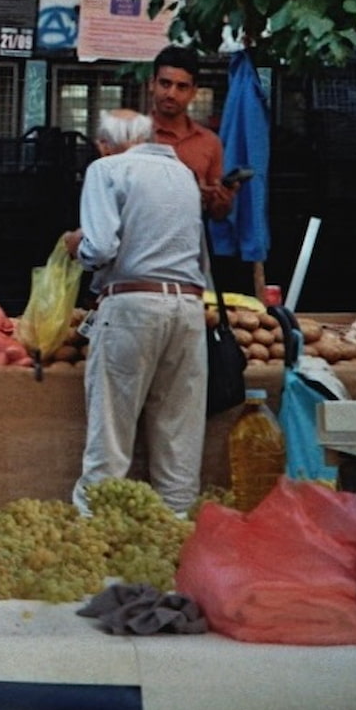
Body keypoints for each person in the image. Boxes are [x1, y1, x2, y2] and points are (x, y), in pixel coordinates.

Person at [63, 109, 206, 515]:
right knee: (179, 432)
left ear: (103, 145)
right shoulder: (184, 175)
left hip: (132, 306)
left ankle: (96, 525)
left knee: (110, 430)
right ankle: (177, 525)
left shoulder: (106, 169)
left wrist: (77, 245)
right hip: (188, 308)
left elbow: (100, 247)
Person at [148, 44, 234, 221]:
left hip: (191, 236)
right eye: (165, 83)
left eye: (181, 87)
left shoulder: (210, 142)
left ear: (193, 92)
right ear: (152, 84)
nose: (171, 94)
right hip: (139, 236)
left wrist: (223, 201)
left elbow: (217, 214)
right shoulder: (133, 136)